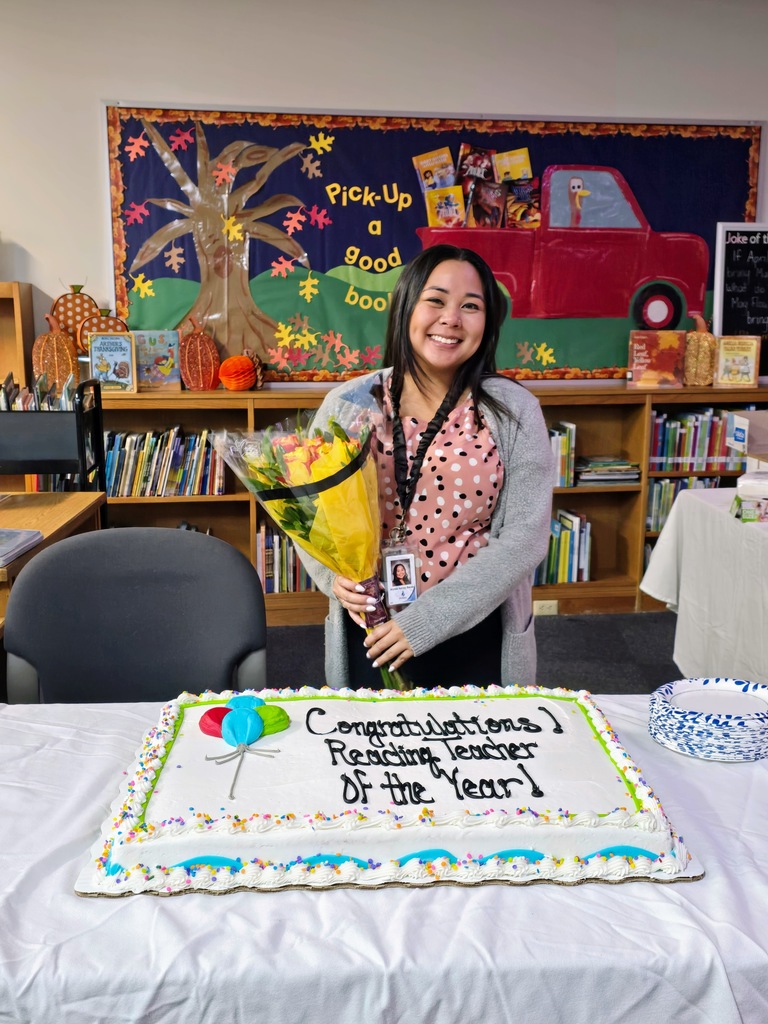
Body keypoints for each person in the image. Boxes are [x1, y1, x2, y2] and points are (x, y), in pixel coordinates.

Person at [299, 244, 554, 689]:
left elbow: (524, 539)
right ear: (405, 307)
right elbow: (308, 511)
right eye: (435, 300)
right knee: (369, 753)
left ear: (487, 323)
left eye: (470, 306)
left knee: (483, 753)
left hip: (477, 633)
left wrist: (426, 623)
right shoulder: (348, 404)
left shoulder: (515, 411)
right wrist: (330, 575)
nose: (451, 319)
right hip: (372, 633)